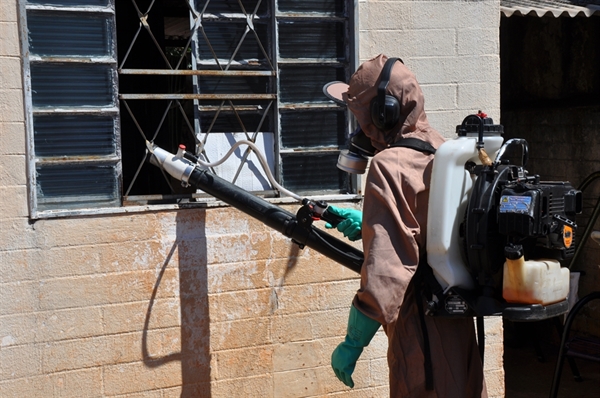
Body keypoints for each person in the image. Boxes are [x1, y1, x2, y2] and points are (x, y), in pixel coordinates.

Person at [324, 54, 487, 397]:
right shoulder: (445, 150)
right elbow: (432, 225)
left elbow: (388, 272)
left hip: (421, 325)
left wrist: (352, 343)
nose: (359, 128)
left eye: (362, 117)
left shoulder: (389, 164)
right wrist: (369, 223)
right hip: (457, 318)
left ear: (384, 112)